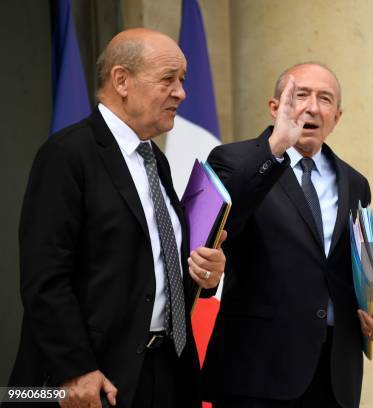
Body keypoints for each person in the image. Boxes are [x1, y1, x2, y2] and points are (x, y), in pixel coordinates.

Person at [7, 28, 226, 408]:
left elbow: (152, 266)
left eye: (183, 80)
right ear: (121, 80)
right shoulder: (67, 155)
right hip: (98, 376)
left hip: (168, 372)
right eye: (167, 79)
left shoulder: (154, 157)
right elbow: (45, 278)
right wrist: (75, 368)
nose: (181, 92)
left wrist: (205, 275)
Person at [200, 62, 373, 408]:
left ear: (336, 117)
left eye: (325, 99)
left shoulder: (355, 183)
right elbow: (218, 229)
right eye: (301, 95)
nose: (312, 107)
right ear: (275, 107)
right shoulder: (233, 161)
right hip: (257, 375)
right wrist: (275, 148)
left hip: (334, 378)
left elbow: (361, 270)